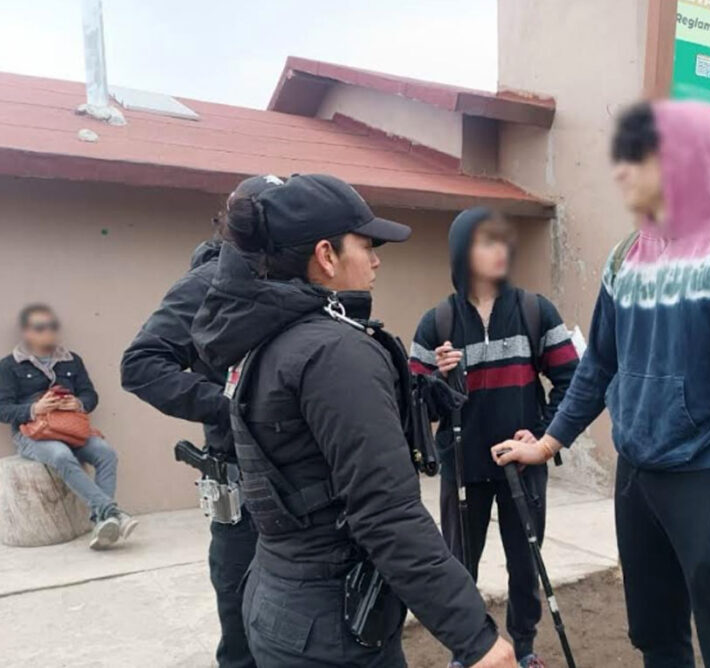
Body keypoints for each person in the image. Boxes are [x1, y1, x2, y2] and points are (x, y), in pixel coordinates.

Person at [492, 100, 710, 667]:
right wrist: (548, 442)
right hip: (637, 479)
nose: (623, 171)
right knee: (655, 638)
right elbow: (598, 365)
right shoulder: (626, 258)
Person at [190, 173, 514, 668]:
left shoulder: (267, 337)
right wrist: (475, 638)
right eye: (366, 245)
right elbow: (386, 513)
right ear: (326, 255)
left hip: (278, 603)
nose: (377, 260)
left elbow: (308, 455)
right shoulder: (334, 352)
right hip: (332, 627)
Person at [120, 176, 281, 668]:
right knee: (243, 636)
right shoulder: (209, 282)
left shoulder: (291, 280)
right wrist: (233, 404)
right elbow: (141, 365)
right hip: (243, 489)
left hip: (301, 489)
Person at [409, 207, 579, 668]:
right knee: (460, 567)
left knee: (525, 565)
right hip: (462, 466)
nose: (501, 249)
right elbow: (415, 407)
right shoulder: (437, 323)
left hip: (523, 465)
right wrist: (437, 380)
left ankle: (523, 649)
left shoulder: (535, 311)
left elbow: (573, 382)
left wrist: (541, 436)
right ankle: (469, 650)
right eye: (487, 241)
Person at [0, 304, 138, 549]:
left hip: (71, 429)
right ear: (26, 332)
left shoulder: (72, 360)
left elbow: (90, 395)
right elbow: (3, 409)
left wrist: (78, 403)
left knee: (106, 454)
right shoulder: (9, 366)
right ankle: (111, 513)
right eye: (40, 327)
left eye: (52, 326)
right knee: (60, 455)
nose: (49, 332)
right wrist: (35, 409)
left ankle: (102, 521)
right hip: (33, 434)